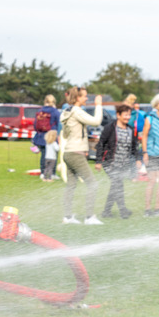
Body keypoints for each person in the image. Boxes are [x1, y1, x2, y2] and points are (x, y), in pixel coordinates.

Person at [59, 86, 102, 225]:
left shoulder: (67, 111)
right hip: (75, 153)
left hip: (68, 152)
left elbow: (65, 134)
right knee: (93, 183)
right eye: (84, 96)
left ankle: (67, 217)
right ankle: (89, 217)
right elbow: (96, 121)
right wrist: (98, 105)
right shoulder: (77, 111)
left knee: (71, 185)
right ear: (78, 98)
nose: (87, 98)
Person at [96, 103, 137, 219]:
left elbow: (134, 147)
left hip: (123, 164)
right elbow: (101, 144)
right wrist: (98, 161)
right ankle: (123, 211)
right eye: (125, 115)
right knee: (117, 184)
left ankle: (106, 211)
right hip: (110, 163)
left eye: (129, 115)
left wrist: (137, 159)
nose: (128, 117)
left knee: (116, 186)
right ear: (118, 115)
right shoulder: (110, 128)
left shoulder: (130, 129)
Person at [33, 94, 60, 179]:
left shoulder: (40, 111)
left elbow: (35, 124)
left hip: (41, 136)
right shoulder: (55, 111)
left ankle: (42, 172)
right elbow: (59, 124)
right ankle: (52, 173)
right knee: (53, 155)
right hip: (52, 135)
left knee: (43, 155)